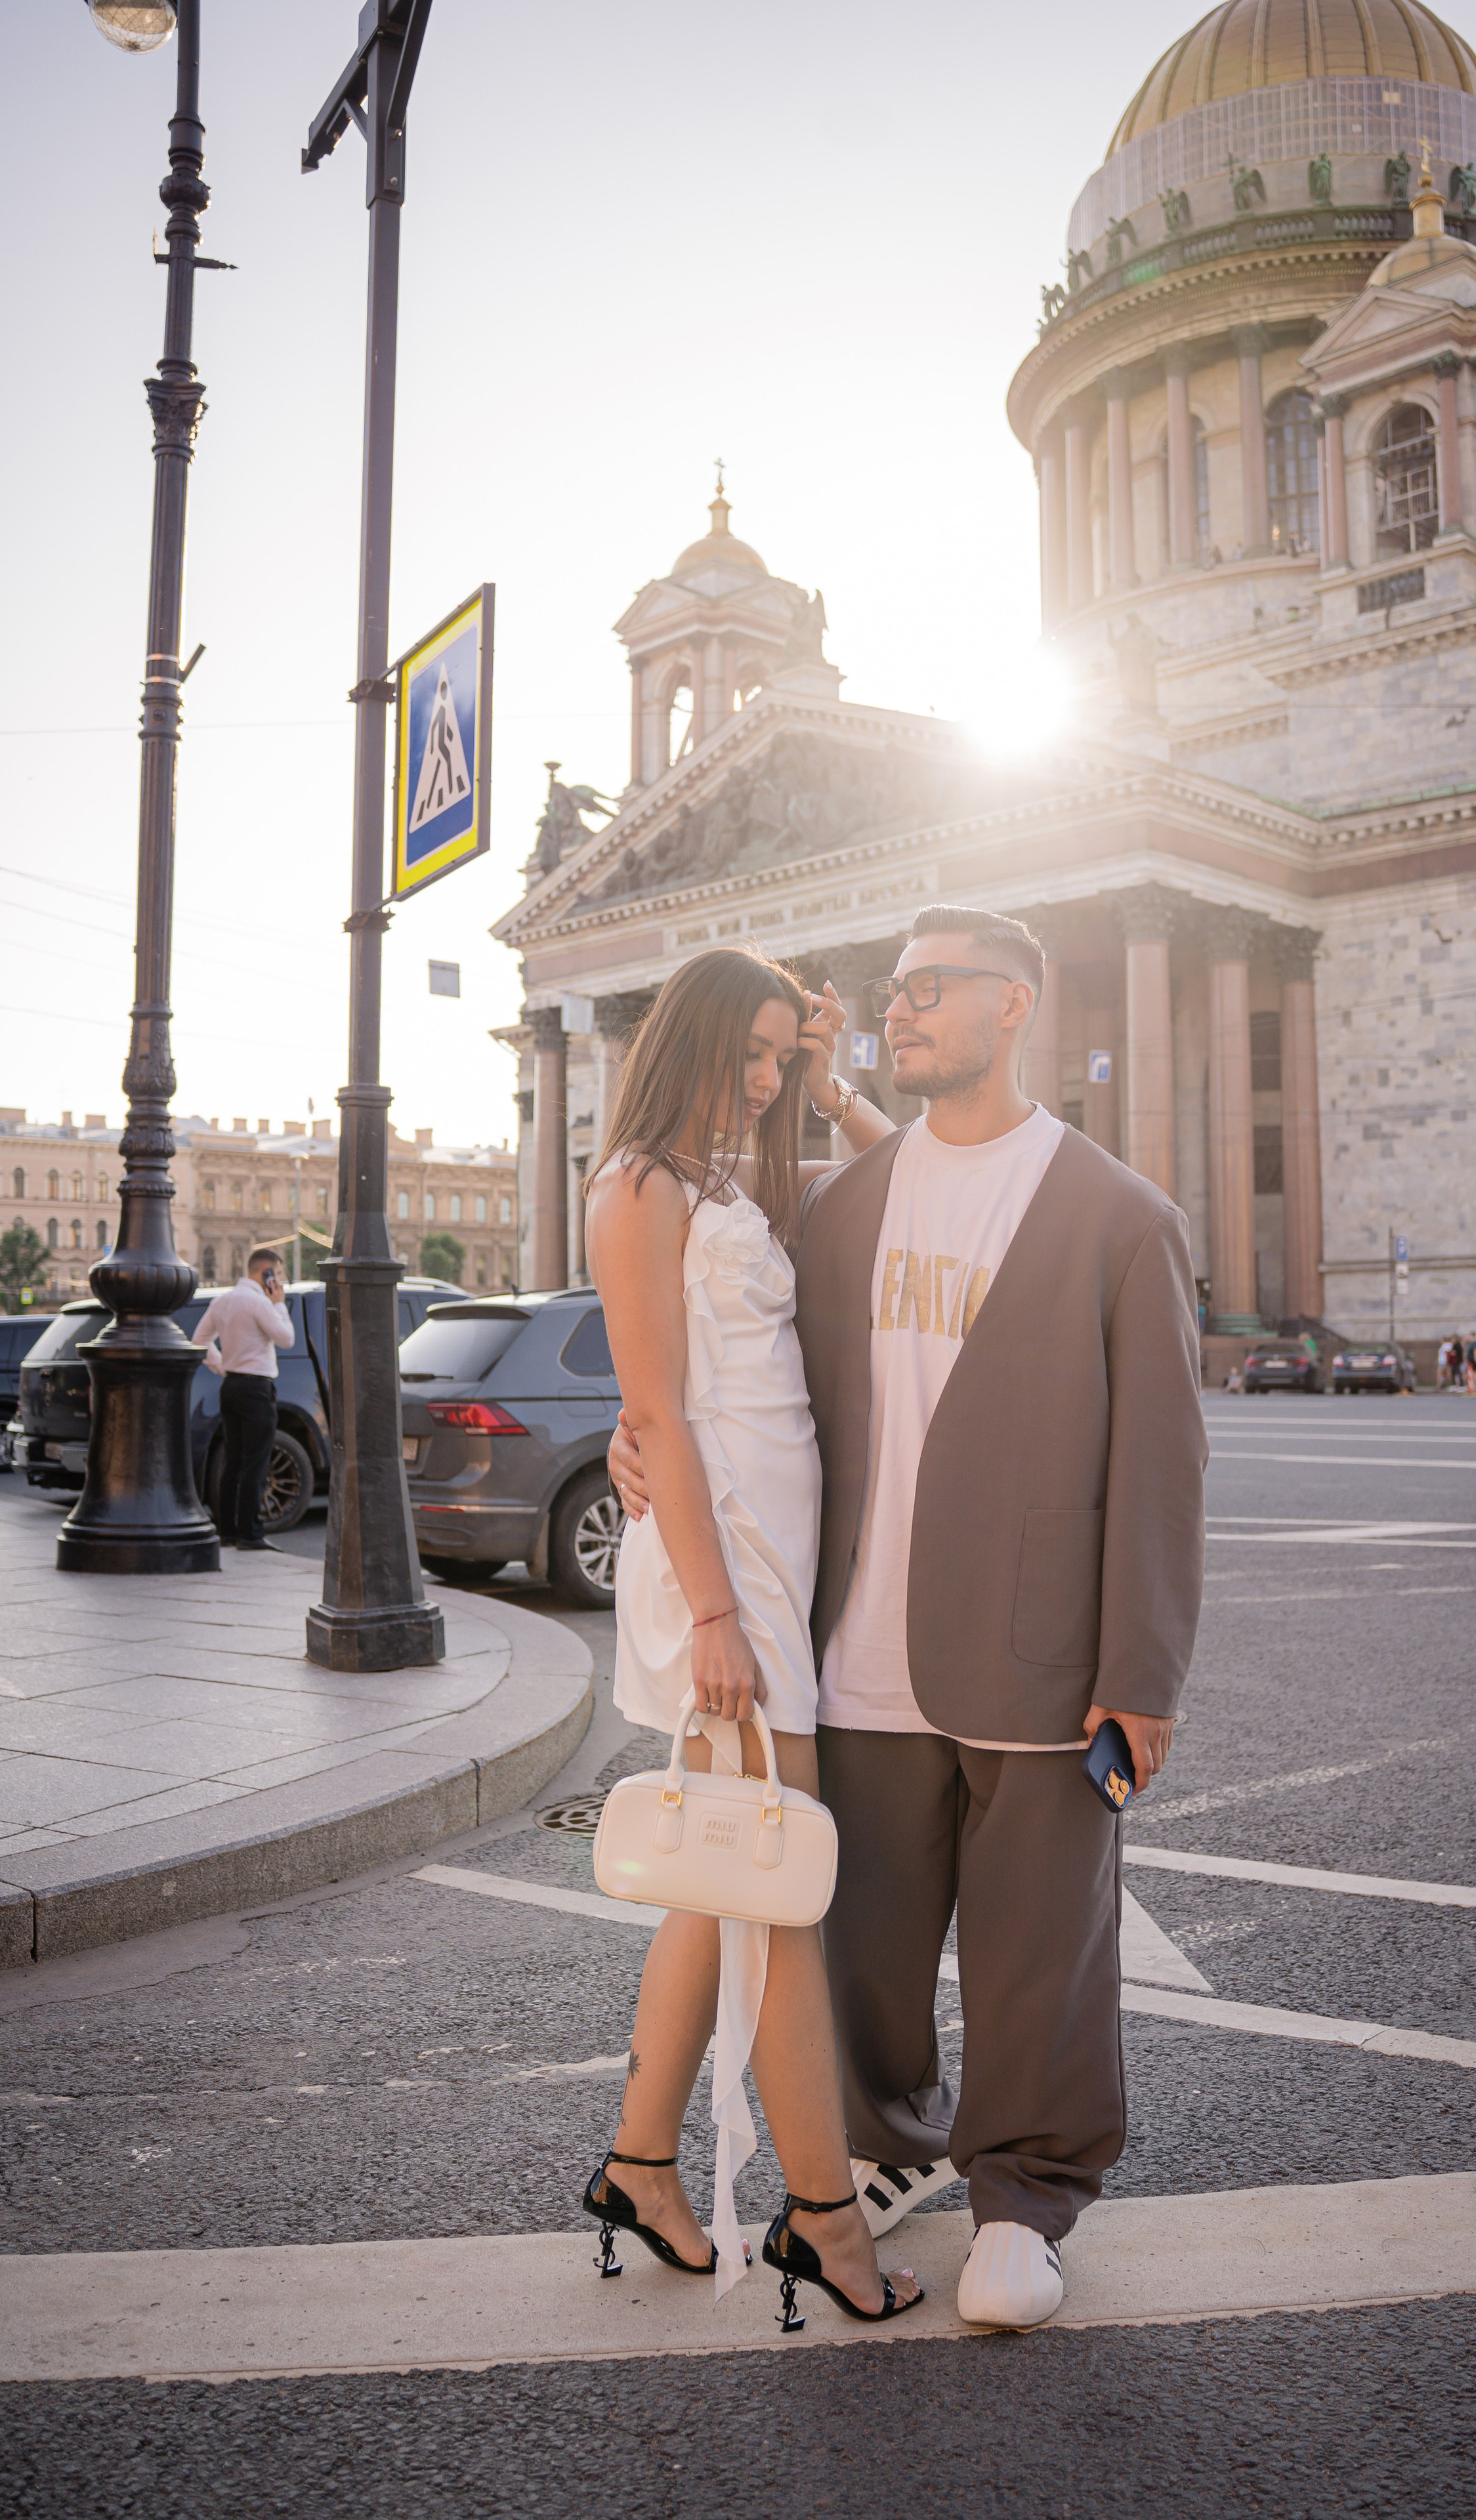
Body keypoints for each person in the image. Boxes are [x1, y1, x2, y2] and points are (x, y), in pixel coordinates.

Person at [614, 905, 1206, 2331]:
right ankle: (883, 2147)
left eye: (933, 989)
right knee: (862, 1941)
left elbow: (1163, 1465)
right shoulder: (841, 1208)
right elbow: (721, 1352)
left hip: (1037, 1653)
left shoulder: (1118, 1214)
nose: (902, 1006)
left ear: (1016, 1006)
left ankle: (1024, 2195)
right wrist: (641, 1446)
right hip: (846, 1646)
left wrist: (1142, 1672)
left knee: (1038, 1950)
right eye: (894, 990)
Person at [581, 944, 921, 2332]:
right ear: (698, 1040)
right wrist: (715, 1611)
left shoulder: (730, 1178)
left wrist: (836, 1088)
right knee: (781, 1884)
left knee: (727, 1880)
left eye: (788, 1055)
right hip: (723, 1569)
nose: (771, 1078)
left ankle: (638, 2169)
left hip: (766, 1558)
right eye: (759, 1053)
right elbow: (658, 1406)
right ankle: (823, 2216)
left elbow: (910, 1175)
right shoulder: (637, 1183)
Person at [196, 1247, 295, 1549]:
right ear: (266, 1273)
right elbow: (287, 1339)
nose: (277, 1282)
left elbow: (199, 1341)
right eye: (276, 1275)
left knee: (233, 1462)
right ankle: (250, 1534)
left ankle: (227, 1532)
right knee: (256, 1462)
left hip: (232, 1387)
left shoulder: (222, 1301)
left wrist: (223, 1366)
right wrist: (279, 1305)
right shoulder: (260, 1303)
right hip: (257, 1389)